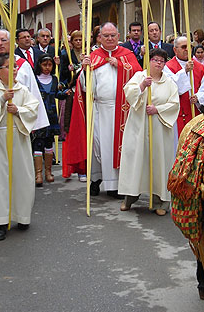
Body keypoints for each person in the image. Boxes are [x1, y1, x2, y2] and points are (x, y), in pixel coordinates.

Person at [0, 52, 39, 241]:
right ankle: (0, 222)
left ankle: (22, 216)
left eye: (15, 67)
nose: (14, 70)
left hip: (18, 137)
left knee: (22, 177)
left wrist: (18, 110)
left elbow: (33, 108)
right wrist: (3, 99)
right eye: (9, 67)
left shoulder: (22, 90)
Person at [0, 29, 50, 174]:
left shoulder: (22, 64)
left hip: (19, 124)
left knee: (19, 168)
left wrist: (34, 122)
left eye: (4, 40)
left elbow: (33, 95)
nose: (0, 44)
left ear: (11, 42)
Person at [79, 22, 142, 197]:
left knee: (120, 146)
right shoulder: (94, 56)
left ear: (119, 36)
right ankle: (96, 179)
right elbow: (85, 87)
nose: (109, 38)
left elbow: (138, 75)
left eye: (112, 35)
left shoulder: (127, 54)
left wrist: (121, 66)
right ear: (100, 37)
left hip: (122, 109)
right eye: (105, 35)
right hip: (101, 109)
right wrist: (85, 70)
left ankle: (116, 185)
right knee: (100, 145)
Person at [118, 48, 179, 215]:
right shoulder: (140, 76)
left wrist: (158, 109)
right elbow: (129, 93)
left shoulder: (169, 82)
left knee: (159, 162)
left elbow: (175, 104)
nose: (158, 63)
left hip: (159, 129)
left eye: (161, 61)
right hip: (139, 126)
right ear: (149, 61)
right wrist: (142, 86)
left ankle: (162, 202)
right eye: (155, 60)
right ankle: (130, 197)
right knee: (136, 160)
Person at [32, 55, 67, 186]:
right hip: (39, 115)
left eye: (50, 65)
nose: (47, 68)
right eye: (44, 65)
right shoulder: (34, 79)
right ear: (39, 65)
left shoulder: (54, 79)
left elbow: (56, 94)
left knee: (49, 144)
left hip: (51, 115)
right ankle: (38, 173)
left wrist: (65, 93)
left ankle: (48, 172)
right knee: (38, 143)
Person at [166, 36, 204, 134]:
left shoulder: (200, 67)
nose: (187, 49)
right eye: (183, 47)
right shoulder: (168, 67)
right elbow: (170, 87)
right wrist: (184, 71)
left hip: (195, 111)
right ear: (175, 50)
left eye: (189, 46)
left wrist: (198, 97)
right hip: (177, 114)